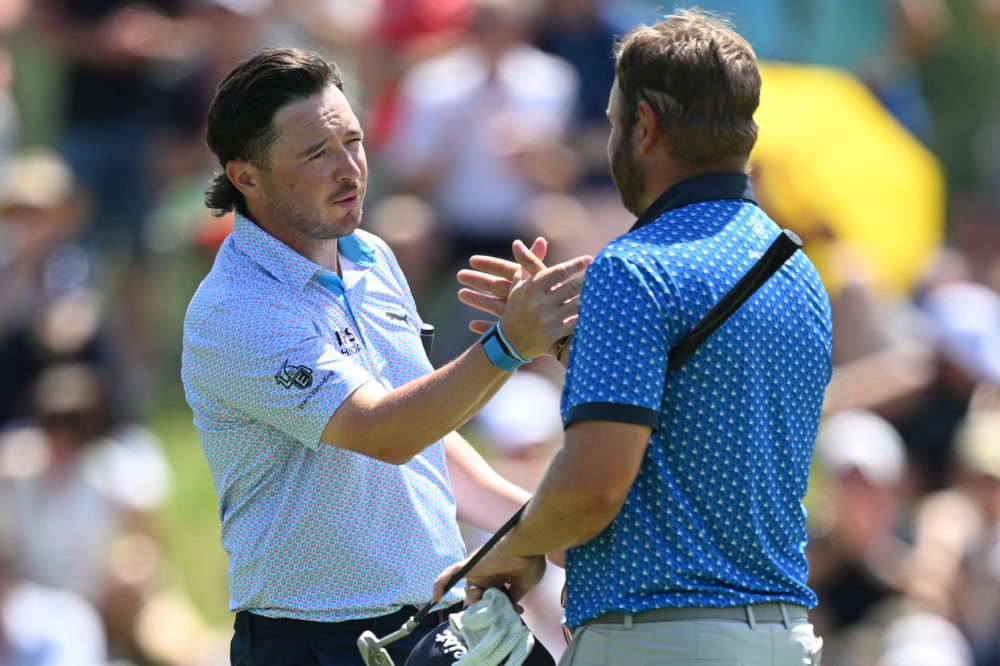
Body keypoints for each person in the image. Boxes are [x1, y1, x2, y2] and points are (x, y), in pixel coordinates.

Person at [434, 11, 833, 666]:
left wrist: (502, 550)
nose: (615, 133)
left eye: (618, 121)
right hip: (782, 640)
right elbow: (707, 415)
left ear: (645, 126)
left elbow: (590, 492)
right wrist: (580, 349)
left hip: (662, 640)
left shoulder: (634, 268)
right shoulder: (797, 271)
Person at [181, 47, 590, 666]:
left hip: (437, 619)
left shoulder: (371, 254)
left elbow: (425, 437)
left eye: (354, 141)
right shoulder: (236, 308)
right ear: (246, 177)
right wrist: (509, 345)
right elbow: (384, 431)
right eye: (317, 153)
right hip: (317, 642)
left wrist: (538, 528)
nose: (350, 169)